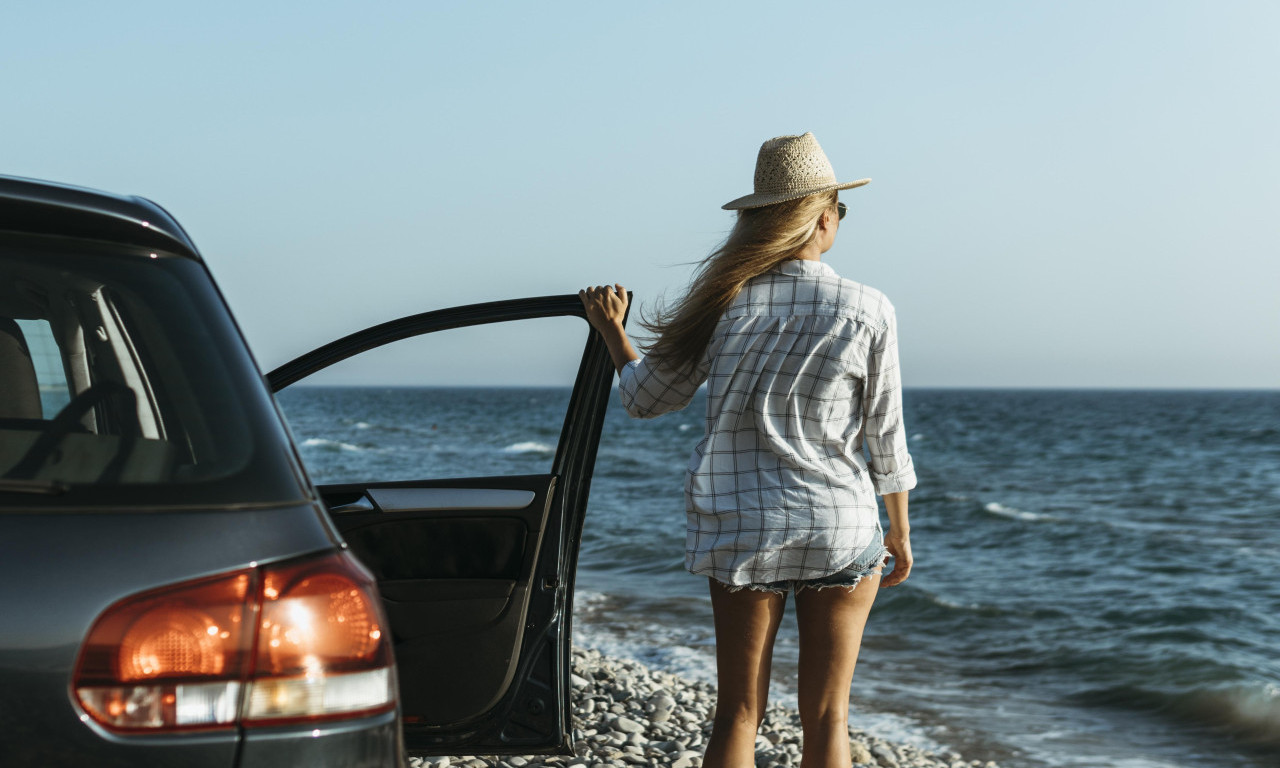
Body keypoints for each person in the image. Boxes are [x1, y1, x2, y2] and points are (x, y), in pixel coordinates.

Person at [579, 132, 916, 768]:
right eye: (839, 209)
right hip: (840, 527)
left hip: (742, 526)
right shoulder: (869, 307)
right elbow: (884, 435)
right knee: (827, 718)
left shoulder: (723, 302)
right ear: (822, 216)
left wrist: (613, 333)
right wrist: (898, 530)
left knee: (737, 714)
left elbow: (647, 398)